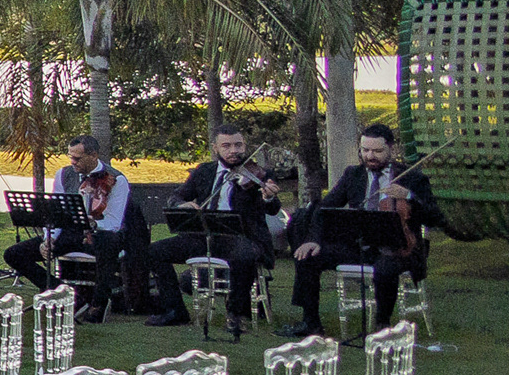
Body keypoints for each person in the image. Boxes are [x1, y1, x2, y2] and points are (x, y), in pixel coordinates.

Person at [284, 123, 440, 339]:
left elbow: (434, 216)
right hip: (360, 246)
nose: (370, 156)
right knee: (308, 257)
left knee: (385, 268)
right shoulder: (353, 174)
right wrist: (314, 240)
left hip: (400, 249)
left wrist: (409, 196)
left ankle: (382, 325)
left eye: (377, 151)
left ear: (391, 149)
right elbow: (324, 210)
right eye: (365, 150)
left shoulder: (412, 177)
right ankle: (311, 323)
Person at [1, 135, 147, 321]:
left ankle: (98, 303)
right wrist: (49, 238)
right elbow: (56, 212)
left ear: (93, 155)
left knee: (107, 243)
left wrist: (92, 223)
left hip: (103, 234)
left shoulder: (117, 179)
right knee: (13, 254)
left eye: (77, 158)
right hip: (71, 233)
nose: (73, 162)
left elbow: (114, 222)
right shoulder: (64, 174)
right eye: (71, 156)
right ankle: (64, 293)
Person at [151, 129, 279, 325]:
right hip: (205, 237)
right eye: (226, 146)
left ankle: (236, 314)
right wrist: (181, 204)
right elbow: (176, 196)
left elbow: (273, 208)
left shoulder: (259, 175)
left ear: (245, 146)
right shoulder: (204, 171)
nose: (233, 151)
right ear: (215, 148)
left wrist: (268, 197)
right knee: (155, 251)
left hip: (243, 237)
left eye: (238, 145)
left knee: (243, 255)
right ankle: (174, 310)